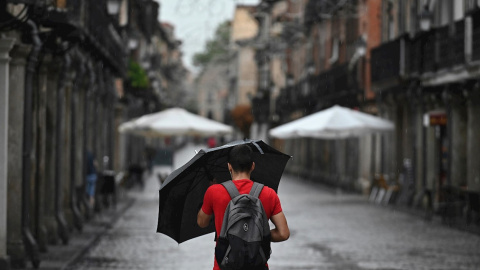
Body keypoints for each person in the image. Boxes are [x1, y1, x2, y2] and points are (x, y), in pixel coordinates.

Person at [197, 144, 290, 270]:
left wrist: (209, 196)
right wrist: (256, 236)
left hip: (224, 265)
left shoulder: (213, 192)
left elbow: (202, 222)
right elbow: (283, 233)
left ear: (229, 166)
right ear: (252, 166)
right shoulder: (269, 193)